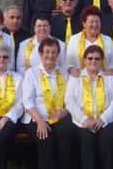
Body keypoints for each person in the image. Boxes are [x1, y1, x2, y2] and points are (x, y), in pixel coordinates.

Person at [65, 45, 113, 169]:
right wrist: (84, 120)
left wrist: (103, 119)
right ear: (84, 60)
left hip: (106, 121)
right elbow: (70, 100)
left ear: (101, 61)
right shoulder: (76, 78)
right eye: (90, 58)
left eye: (97, 59)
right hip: (83, 122)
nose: (93, 61)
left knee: (108, 140)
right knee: (87, 142)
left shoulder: (109, 78)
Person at [22, 37, 75, 169]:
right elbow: (27, 101)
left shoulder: (64, 73)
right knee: (46, 138)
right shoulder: (31, 73)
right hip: (36, 117)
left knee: (67, 132)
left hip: (59, 116)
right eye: (47, 51)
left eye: (54, 52)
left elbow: (71, 98)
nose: (50, 55)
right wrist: (40, 121)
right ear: (40, 54)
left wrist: (65, 111)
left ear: (58, 55)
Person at [66, 5, 113, 75]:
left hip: (103, 80)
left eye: (97, 21)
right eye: (91, 21)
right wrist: (72, 69)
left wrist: (111, 70)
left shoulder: (107, 40)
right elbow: (68, 63)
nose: (95, 24)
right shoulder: (74, 39)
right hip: (80, 80)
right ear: (84, 23)